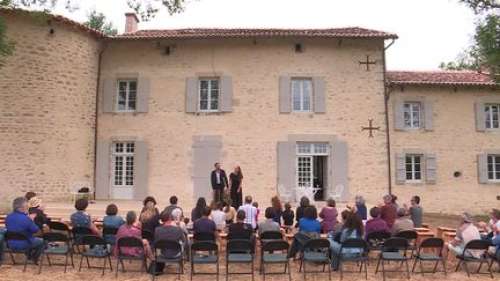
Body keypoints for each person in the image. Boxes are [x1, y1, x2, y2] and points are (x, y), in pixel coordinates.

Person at [5, 197, 44, 263]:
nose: (27, 208)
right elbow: (37, 231)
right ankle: (33, 257)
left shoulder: (8, 217)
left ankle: (29, 255)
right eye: (26, 207)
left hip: (10, 243)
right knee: (41, 242)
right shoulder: (26, 219)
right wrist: (32, 220)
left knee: (30, 237)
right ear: (20, 208)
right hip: (24, 243)